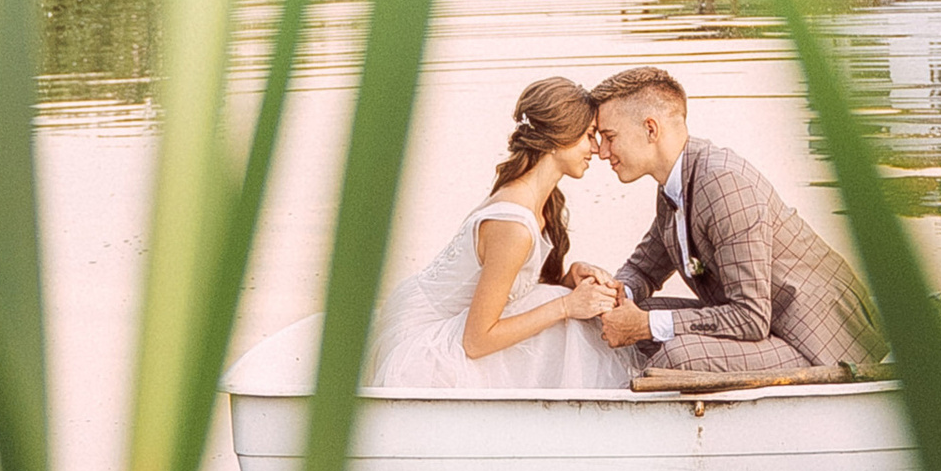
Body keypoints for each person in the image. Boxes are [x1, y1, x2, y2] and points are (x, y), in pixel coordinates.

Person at [586, 65, 877, 383]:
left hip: (817, 343)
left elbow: (750, 317)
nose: (602, 152)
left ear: (651, 129)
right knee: (636, 321)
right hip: (766, 327)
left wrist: (645, 324)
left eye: (609, 137)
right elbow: (643, 269)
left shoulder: (723, 183)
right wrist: (614, 295)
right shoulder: (675, 184)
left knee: (676, 356)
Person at [368, 77, 639, 390]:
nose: (596, 148)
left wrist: (570, 278)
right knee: (560, 309)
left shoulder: (540, 200)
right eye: (590, 135)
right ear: (557, 138)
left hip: (453, 321)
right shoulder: (513, 224)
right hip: (423, 345)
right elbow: (476, 341)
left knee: (557, 298)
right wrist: (567, 305)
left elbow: (516, 291)